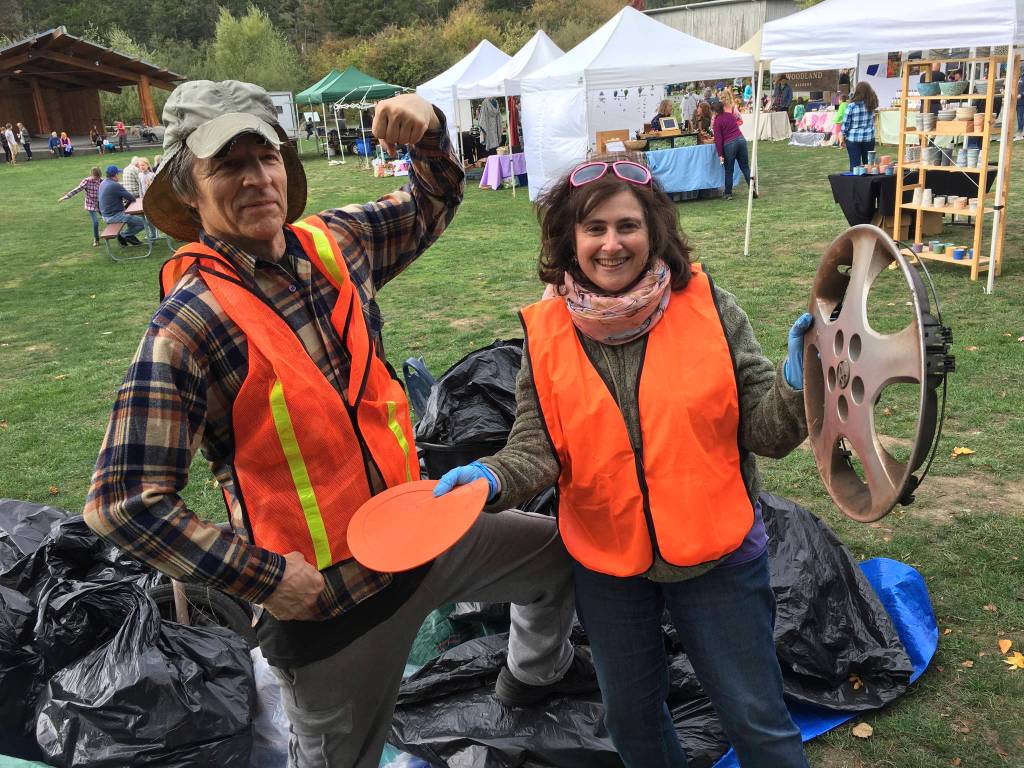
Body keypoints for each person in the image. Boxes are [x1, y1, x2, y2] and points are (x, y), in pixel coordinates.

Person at [83, 79, 579, 768]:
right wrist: (264, 579)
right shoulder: (190, 325)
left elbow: (434, 199)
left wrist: (429, 129)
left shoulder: (336, 244)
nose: (257, 178)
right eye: (228, 165)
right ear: (189, 191)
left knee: (560, 557)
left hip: (424, 538)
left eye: (267, 157)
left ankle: (531, 678)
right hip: (330, 612)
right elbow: (122, 502)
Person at [434, 156, 813, 768]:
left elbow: (766, 434)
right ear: (570, 239)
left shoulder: (710, 308)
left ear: (653, 230)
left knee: (756, 718)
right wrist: (491, 477)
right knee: (632, 721)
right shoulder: (547, 333)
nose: (612, 244)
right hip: (609, 562)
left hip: (717, 554)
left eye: (627, 226)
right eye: (595, 228)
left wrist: (798, 385)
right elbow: (537, 446)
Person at [711, 101, 753, 201]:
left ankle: (728, 193)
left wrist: (720, 154)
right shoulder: (730, 115)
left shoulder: (717, 121)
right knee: (745, 167)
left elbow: (718, 139)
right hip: (741, 140)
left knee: (729, 170)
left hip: (729, 144)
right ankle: (753, 189)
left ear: (715, 111)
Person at [97, 164, 145, 245]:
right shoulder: (114, 185)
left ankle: (129, 236)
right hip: (114, 216)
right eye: (118, 174)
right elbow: (131, 198)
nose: (119, 176)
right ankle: (125, 235)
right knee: (142, 223)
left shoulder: (103, 183)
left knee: (131, 218)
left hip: (105, 215)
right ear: (115, 175)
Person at [59, 166, 105, 246]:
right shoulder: (86, 181)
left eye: (98, 178)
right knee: (96, 222)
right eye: (96, 178)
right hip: (90, 203)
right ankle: (96, 239)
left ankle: (114, 234)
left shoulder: (101, 181)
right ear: (92, 175)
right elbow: (77, 190)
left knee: (107, 218)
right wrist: (66, 197)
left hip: (100, 203)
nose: (97, 180)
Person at [842, 81, 878, 171]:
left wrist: (843, 136)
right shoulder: (871, 105)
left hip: (853, 139)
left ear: (857, 91)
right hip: (869, 138)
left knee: (854, 166)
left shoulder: (851, 106)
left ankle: (855, 180)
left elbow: (846, 124)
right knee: (869, 165)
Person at [1015, 64, 1024, 141]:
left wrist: (1021, 94)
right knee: (1019, 117)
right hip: (1018, 101)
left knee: (1020, 117)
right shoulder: (1020, 77)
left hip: (1021, 101)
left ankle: (1020, 134)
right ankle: (1020, 133)